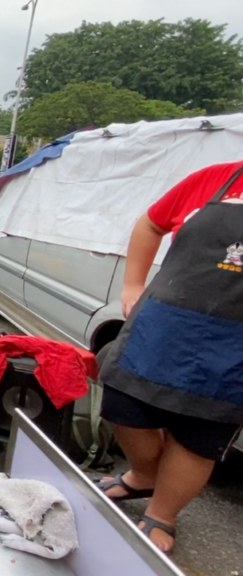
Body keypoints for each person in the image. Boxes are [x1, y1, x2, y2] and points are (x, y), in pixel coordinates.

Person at [97, 159, 243, 553]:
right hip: (164, 323)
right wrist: (133, 285)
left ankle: (163, 513)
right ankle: (144, 474)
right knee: (121, 402)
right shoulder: (216, 177)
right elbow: (150, 224)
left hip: (235, 343)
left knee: (200, 431)